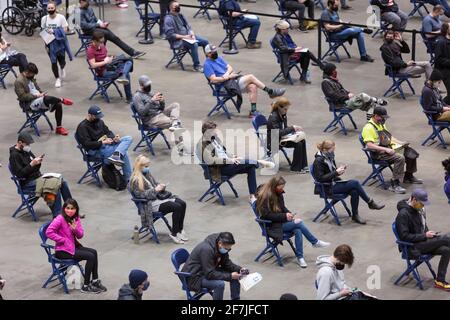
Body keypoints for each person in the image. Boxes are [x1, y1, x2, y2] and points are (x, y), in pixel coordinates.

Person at [256, 176, 330, 268]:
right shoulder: (265, 197)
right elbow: (266, 215)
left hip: (280, 222)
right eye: (281, 187)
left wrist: (289, 214)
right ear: (274, 186)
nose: (282, 189)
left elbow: (283, 207)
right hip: (271, 226)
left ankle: (300, 257)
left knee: (298, 229)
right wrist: (285, 216)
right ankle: (314, 242)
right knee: (298, 224)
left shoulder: (278, 193)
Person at [197, 121, 274, 202]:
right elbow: (212, 161)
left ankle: (253, 195)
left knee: (250, 167)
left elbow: (224, 152)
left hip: (226, 164)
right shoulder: (202, 144)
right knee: (248, 163)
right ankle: (259, 162)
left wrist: (233, 156)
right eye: (214, 131)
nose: (216, 132)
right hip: (217, 170)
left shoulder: (215, 138)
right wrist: (230, 160)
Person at [312, 140, 385, 225]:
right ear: (325, 150)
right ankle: (370, 202)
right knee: (355, 183)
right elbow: (320, 178)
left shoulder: (329, 156)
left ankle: (355, 215)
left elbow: (331, 171)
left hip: (333, 183)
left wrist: (339, 170)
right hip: (326, 188)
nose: (333, 152)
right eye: (332, 150)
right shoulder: (318, 161)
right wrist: (336, 172)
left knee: (354, 191)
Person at [203, 44, 285, 117]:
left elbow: (230, 67)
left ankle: (253, 111)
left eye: (215, 51)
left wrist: (227, 74)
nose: (215, 53)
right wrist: (228, 77)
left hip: (231, 80)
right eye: (213, 52)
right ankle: (270, 92)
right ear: (208, 54)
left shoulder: (219, 58)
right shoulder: (207, 65)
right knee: (250, 77)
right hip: (224, 86)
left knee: (253, 86)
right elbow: (213, 79)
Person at [46, 198, 107, 294]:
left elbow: (80, 235)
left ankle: (95, 281)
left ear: (76, 209)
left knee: (94, 252)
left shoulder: (76, 218)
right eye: (67, 208)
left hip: (72, 247)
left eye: (72, 208)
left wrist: (75, 229)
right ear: (64, 208)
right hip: (62, 251)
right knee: (90, 256)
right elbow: (49, 232)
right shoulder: (60, 218)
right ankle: (86, 286)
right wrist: (62, 240)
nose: (69, 211)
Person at [395, 188, 450, 291]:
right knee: (446, 240)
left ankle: (440, 281)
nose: (423, 205)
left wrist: (429, 233)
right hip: (413, 247)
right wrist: (425, 236)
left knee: (447, 250)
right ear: (414, 199)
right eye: (421, 203)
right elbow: (404, 237)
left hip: (423, 243)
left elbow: (422, 227)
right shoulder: (403, 215)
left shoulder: (418, 210)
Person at [9, 132, 73, 217]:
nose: (28, 146)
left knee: (62, 182)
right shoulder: (14, 155)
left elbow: (35, 167)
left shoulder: (26, 150)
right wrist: (31, 164)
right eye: (27, 144)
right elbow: (20, 174)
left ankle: (71, 208)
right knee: (54, 187)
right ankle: (57, 217)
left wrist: (38, 162)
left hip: (37, 177)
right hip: (27, 183)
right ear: (20, 142)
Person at [362, 106, 423, 194]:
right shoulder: (368, 128)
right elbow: (369, 145)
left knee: (411, 152)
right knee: (400, 158)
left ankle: (408, 176)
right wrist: (386, 150)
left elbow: (389, 137)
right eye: (382, 117)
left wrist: (401, 143)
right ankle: (395, 184)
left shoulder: (381, 124)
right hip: (378, 153)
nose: (384, 119)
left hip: (388, 148)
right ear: (375, 116)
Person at [128, 155, 188, 244]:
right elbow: (140, 195)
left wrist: (161, 186)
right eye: (146, 166)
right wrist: (155, 190)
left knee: (182, 203)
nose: (148, 168)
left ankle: (180, 229)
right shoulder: (135, 180)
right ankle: (174, 233)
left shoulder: (146, 173)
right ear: (140, 166)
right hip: (149, 204)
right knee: (177, 207)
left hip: (157, 198)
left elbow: (155, 184)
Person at [181, 232, 245, 300]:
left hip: (206, 270)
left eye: (229, 249)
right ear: (220, 243)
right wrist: (230, 276)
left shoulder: (219, 245)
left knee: (236, 274)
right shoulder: (207, 249)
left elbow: (226, 263)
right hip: (194, 277)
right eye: (226, 249)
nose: (227, 251)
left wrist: (239, 269)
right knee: (219, 284)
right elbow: (209, 274)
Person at [76, 105, 133, 181]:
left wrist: (114, 138)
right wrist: (102, 142)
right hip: (96, 150)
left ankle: (116, 155)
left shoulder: (99, 121)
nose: (98, 118)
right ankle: (128, 178)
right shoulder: (82, 127)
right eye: (96, 116)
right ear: (90, 115)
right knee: (124, 153)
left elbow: (108, 132)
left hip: (107, 144)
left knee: (128, 138)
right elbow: (87, 144)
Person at [14, 62, 72, 136]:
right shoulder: (19, 81)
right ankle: (61, 99)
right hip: (29, 103)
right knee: (46, 99)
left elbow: (36, 88)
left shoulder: (30, 77)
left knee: (58, 104)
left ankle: (59, 128)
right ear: (28, 72)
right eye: (33, 74)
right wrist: (37, 96)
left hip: (38, 98)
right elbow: (22, 97)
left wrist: (41, 93)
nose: (34, 76)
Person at [133, 75, 186, 154]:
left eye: (149, 84)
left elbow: (161, 108)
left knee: (175, 105)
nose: (149, 86)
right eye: (147, 85)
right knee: (176, 125)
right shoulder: (137, 97)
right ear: (141, 85)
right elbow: (142, 113)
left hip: (159, 114)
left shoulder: (150, 93)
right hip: (151, 119)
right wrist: (151, 101)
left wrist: (162, 101)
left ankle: (175, 123)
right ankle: (181, 148)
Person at [78, 0, 144, 59]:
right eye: (85, 1)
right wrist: (98, 25)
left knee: (115, 38)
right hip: (88, 31)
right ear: (81, 2)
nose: (87, 2)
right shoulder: (79, 12)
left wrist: (102, 23)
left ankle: (133, 52)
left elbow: (95, 19)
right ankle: (101, 53)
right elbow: (84, 26)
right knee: (107, 34)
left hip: (96, 28)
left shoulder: (89, 8)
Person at [321, 63, 387, 118]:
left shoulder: (333, 80)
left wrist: (348, 93)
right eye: (334, 70)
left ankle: (370, 124)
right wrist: (347, 96)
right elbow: (332, 95)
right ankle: (376, 100)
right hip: (340, 104)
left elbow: (342, 90)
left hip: (346, 101)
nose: (336, 71)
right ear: (330, 71)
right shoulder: (325, 82)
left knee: (371, 105)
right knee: (362, 95)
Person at [87, 30, 133, 103]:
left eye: (103, 42)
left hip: (110, 65)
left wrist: (111, 58)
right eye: (101, 42)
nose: (102, 44)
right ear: (95, 41)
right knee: (126, 74)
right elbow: (93, 65)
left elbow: (105, 56)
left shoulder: (101, 46)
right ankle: (129, 97)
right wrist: (105, 61)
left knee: (128, 60)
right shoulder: (90, 51)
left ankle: (123, 74)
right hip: (103, 71)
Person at [164, 1, 209, 72]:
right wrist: (185, 37)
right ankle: (196, 65)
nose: (178, 8)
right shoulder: (168, 19)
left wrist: (192, 33)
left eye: (178, 6)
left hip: (188, 36)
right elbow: (170, 35)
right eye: (176, 6)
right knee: (194, 44)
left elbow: (188, 26)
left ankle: (210, 62)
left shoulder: (180, 15)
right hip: (178, 41)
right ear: (171, 8)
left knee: (205, 41)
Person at [267, 97, 309, 173]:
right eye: (285, 109)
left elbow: (284, 128)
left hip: (282, 138)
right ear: (279, 107)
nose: (286, 111)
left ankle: (303, 165)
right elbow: (278, 133)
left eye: (287, 109)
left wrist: (293, 132)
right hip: (274, 141)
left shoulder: (283, 114)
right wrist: (292, 128)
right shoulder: (273, 118)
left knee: (302, 140)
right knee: (298, 144)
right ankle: (295, 168)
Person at [41, 1, 72, 88]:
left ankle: (62, 67)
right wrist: (46, 44)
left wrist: (55, 31)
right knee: (53, 62)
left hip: (60, 43)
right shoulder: (44, 19)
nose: (50, 9)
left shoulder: (61, 17)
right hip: (50, 44)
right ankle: (57, 78)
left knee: (62, 61)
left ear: (55, 8)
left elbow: (65, 30)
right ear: (47, 9)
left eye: (52, 8)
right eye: (49, 8)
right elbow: (43, 31)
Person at [435, 23, 450, 104]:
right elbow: (438, 59)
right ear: (447, 30)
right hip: (445, 71)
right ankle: (440, 108)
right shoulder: (441, 42)